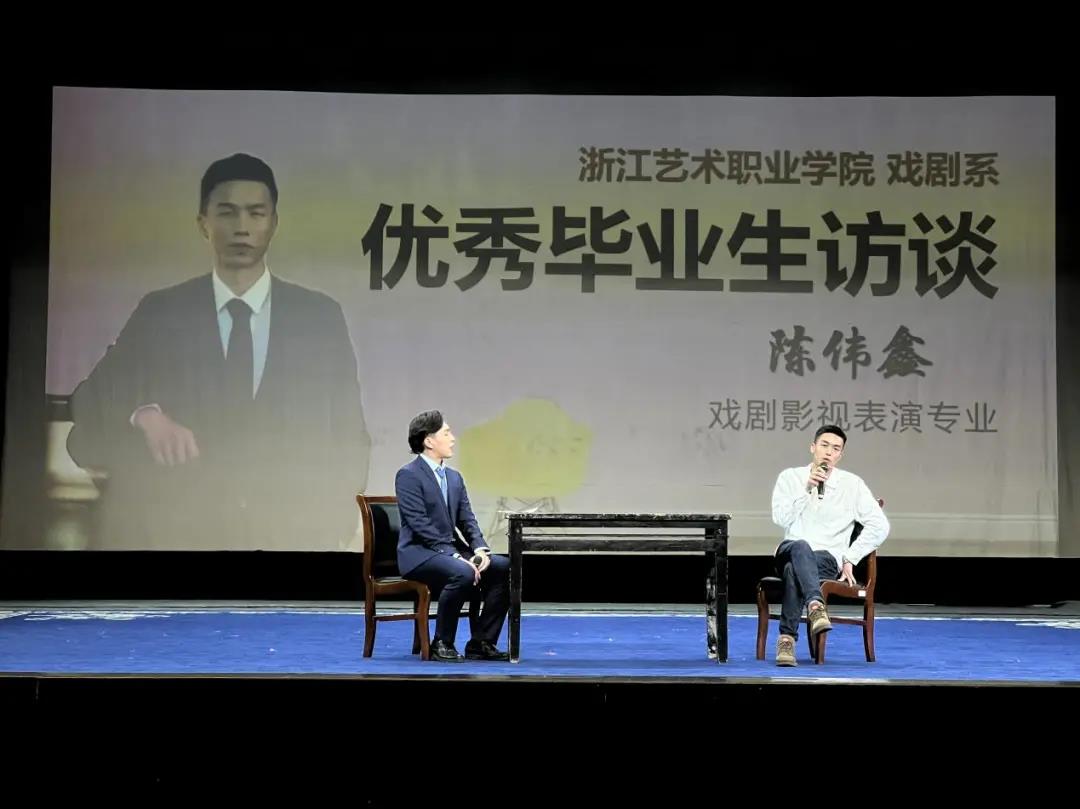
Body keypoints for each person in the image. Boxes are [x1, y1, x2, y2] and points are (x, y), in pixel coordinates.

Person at [67, 153, 371, 550]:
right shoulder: (162, 312)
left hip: (290, 544)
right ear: (203, 223)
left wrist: (332, 527)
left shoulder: (319, 317)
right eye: (227, 213)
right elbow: (88, 399)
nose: (242, 227)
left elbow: (349, 434)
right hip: (183, 541)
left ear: (274, 223)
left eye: (256, 213)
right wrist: (147, 415)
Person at [395, 410, 510, 662]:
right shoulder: (409, 475)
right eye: (446, 433)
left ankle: (481, 642)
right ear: (428, 441)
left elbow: (467, 519)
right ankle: (442, 642)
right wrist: (456, 556)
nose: (453, 438)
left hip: (449, 550)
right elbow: (419, 524)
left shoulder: (454, 477)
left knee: (504, 567)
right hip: (419, 553)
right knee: (463, 572)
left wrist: (480, 550)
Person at [769, 425, 889, 666]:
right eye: (824, 445)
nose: (828, 452)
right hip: (789, 550)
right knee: (800, 546)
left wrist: (851, 557)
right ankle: (816, 604)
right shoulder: (790, 477)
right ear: (812, 447)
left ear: (840, 455)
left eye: (835, 448)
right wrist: (806, 489)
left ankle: (786, 640)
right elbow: (780, 518)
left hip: (825, 558)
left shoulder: (852, 484)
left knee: (794, 571)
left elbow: (880, 525)